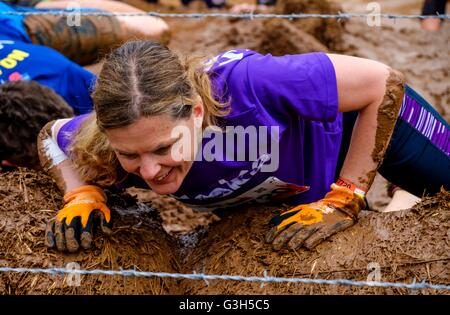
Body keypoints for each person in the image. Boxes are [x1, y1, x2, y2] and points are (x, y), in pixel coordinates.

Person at [38, 41, 450, 253]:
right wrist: (82, 193)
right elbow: (50, 136)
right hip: (294, 173)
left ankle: (400, 190)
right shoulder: (108, 139)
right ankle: (401, 200)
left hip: (365, 125)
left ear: (197, 113)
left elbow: (383, 82)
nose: (149, 171)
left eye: (165, 147)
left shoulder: (251, 83)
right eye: (130, 155)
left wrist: (347, 194)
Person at [0, 0, 170, 169]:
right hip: (15, 44)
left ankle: (32, 4)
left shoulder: (63, 77)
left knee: (152, 28)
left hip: (8, 22)